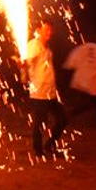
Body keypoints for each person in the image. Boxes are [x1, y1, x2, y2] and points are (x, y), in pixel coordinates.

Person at [23, 20, 67, 157]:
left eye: (50, 30)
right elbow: (28, 62)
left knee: (63, 119)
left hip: (50, 93)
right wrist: (23, 65)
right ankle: (38, 151)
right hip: (39, 93)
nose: (49, 32)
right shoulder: (34, 45)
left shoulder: (46, 48)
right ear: (38, 30)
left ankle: (49, 145)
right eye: (46, 29)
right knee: (39, 123)